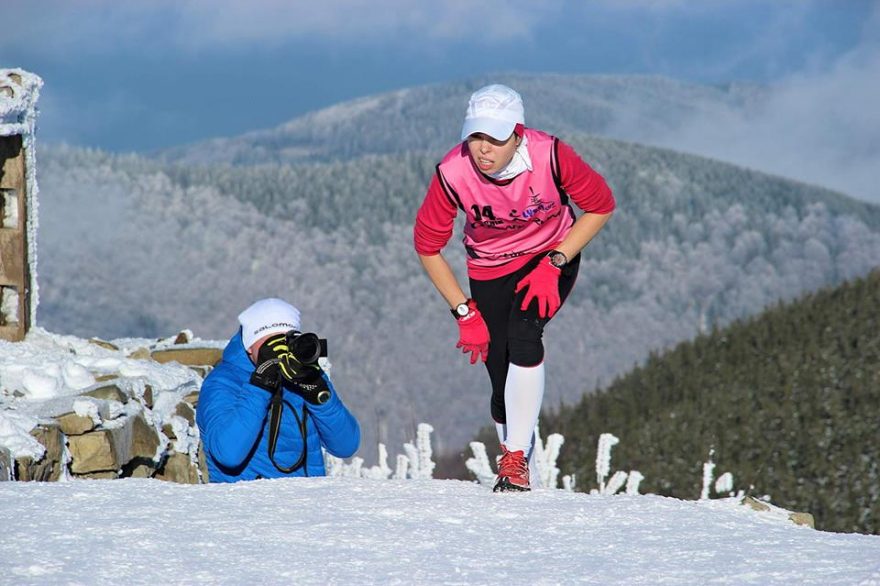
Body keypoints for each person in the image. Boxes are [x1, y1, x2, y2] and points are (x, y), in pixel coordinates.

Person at [413, 84, 615, 492]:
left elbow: (601, 205)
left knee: (525, 332)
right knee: (499, 368)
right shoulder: (452, 172)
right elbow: (427, 246)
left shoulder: (551, 155)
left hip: (550, 255)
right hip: (488, 268)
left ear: (518, 134)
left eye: (495, 138)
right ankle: (519, 464)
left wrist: (555, 261)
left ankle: (516, 460)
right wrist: (463, 311)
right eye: (475, 136)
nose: (483, 149)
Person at [196, 298, 360, 482]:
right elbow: (228, 454)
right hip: (246, 505)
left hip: (307, 504)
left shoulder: (303, 374)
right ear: (250, 346)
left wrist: (317, 392)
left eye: (288, 340)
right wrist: (260, 385)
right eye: (271, 343)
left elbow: (346, 445)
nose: (281, 350)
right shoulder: (222, 382)